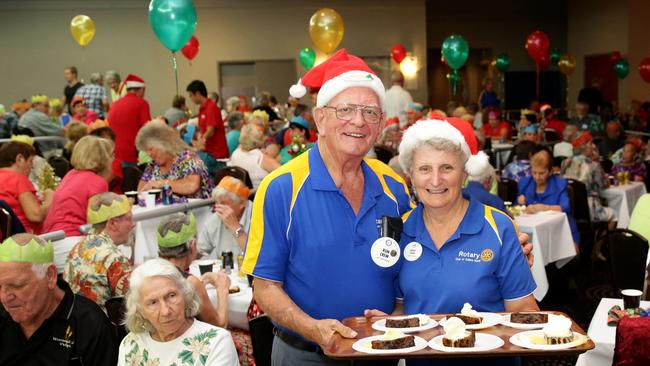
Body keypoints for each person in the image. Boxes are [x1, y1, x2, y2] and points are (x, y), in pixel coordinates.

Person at [243, 49, 534, 364]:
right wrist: (314, 329)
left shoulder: (393, 187)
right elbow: (264, 286)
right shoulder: (281, 188)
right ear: (320, 118)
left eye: (370, 112)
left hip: (381, 350)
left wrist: (505, 248)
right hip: (307, 354)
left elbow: (433, 228)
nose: (359, 120)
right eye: (346, 109)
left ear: (381, 123)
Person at [369, 118, 538, 366]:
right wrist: (385, 323)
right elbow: (401, 309)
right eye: (425, 169)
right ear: (410, 176)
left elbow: (524, 310)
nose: (436, 180)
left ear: (464, 174)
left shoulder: (498, 226)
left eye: (447, 168)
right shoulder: (399, 231)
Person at [0, 233, 117, 365]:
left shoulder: (88, 324)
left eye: (17, 286)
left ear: (50, 276)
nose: (4, 297)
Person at [118, 258, 238, 366]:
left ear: (185, 295)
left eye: (171, 296)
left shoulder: (216, 342)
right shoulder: (131, 344)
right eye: (153, 302)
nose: (166, 311)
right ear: (140, 311)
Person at [42, 136, 113, 270]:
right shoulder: (97, 182)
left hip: (52, 241)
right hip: (71, 244)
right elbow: (95, 223)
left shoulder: (70, 175)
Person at [156, 213, 231, 329]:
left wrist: (199, 283)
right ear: (192, 245)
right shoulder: (190, 283)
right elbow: (219, 326)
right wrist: (222, 289)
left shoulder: (150, 272)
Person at [63, 192, 134, 312]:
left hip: (75, 324)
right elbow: (132, 303)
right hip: (105, 327)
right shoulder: (114, 258)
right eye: (129, 219)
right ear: (112, 223)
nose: (133, 224)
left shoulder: (76, 249)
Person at [561, 131, 616, 260]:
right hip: (589, 210)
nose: (593, 146)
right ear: (584, 146)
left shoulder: (565, 163)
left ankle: (589, 244)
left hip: (569, 207)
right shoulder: (593, 165)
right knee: (614, 214)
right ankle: (596, 249)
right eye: (591, 143)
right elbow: (604, 185)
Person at [518, 150, 580, 250]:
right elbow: (516, 209)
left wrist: (542, 208)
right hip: (533, 232)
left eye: (542, 173)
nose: (537, 177)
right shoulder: (525, 184)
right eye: (534, 172)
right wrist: (520, 202)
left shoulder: (559, 184)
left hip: (561, 231)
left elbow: (565, 207)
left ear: (551, 171)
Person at [136, 120, 213, 200]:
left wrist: (161, 183)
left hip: (198, 210)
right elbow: (141, 190)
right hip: (167, 211)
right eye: (146, 150)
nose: (149, 154)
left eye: (150, 149)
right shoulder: (152, 165)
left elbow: (192, 186)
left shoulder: (188, 158)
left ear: (163, 144)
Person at [0, 141, 53, 233]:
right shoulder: (18, 179)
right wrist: (50, 198)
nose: (31, 167)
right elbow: (36, 216)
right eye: (30, 161)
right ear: (19, 159)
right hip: (25, 239)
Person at [198, 176, 252, 258]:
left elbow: (257, 255)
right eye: (217, 203)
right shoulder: (216, 218)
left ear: (242, 203)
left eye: (223, 203)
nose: (218, 208)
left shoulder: (258, 216)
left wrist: (235, 227)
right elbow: (200, 251)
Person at [107, 74, 151, 168]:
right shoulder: (141, 103)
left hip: (113, 156)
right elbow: (147, 130)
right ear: (141, 90)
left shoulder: (115, 105)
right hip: (130, 155)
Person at [187, 80, 229, 167]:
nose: (191, 98)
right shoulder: (202, 108)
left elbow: (211, 131)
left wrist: (200, 142)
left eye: (191, 95)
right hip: (209, 151)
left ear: (197, 93)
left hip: (216, 154)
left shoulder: (211, 107)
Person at [229, 123, 280, 190]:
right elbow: (284, 173)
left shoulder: (236, 153)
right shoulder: (260, 158)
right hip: (260, 194)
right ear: (259, 140)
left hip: (240, 193)